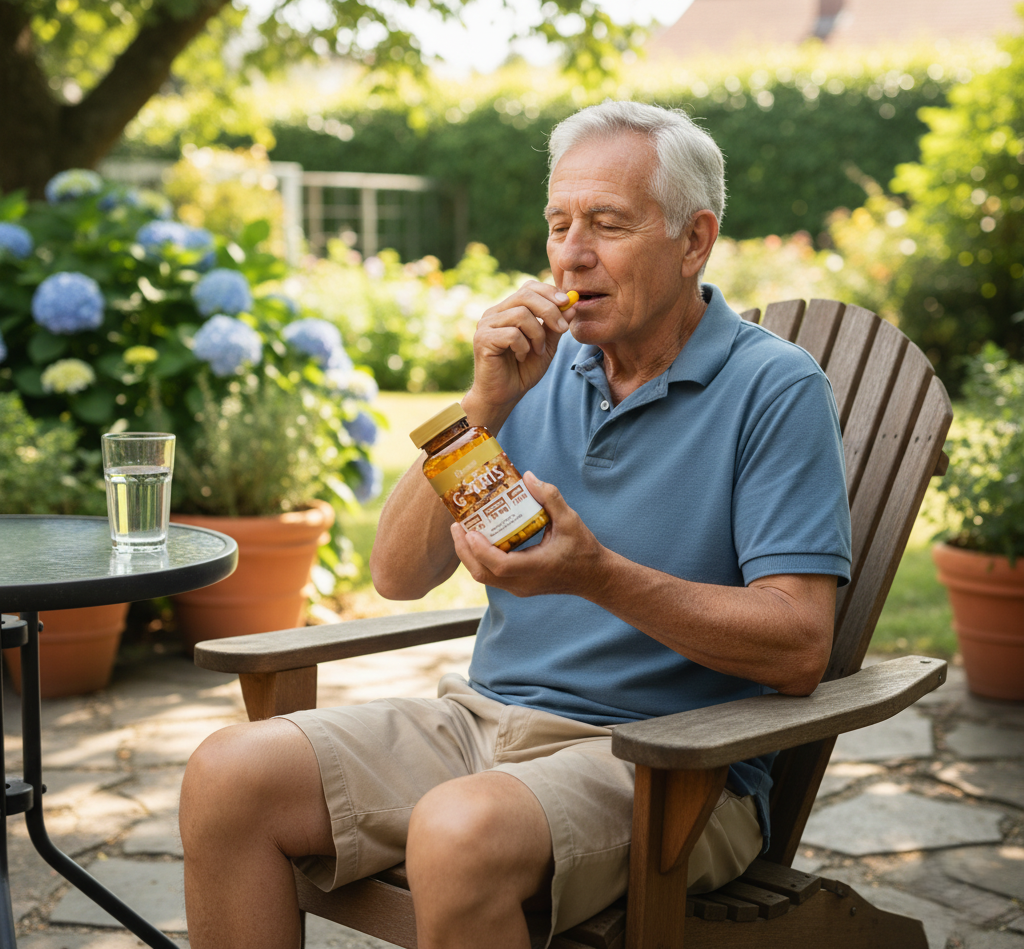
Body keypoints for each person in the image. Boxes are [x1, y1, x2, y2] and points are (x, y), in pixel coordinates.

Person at [179, 101, 852, 949]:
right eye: (559, 222)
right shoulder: (535, 370)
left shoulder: (775, 391)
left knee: (457, 833)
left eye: (607, 223)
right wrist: (485, 405)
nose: (573, 252)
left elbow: (798, 645)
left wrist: (596, 574)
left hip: (669, 766)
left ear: (694, 240)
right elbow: (395, 573)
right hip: (480, 721)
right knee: (226, 776)